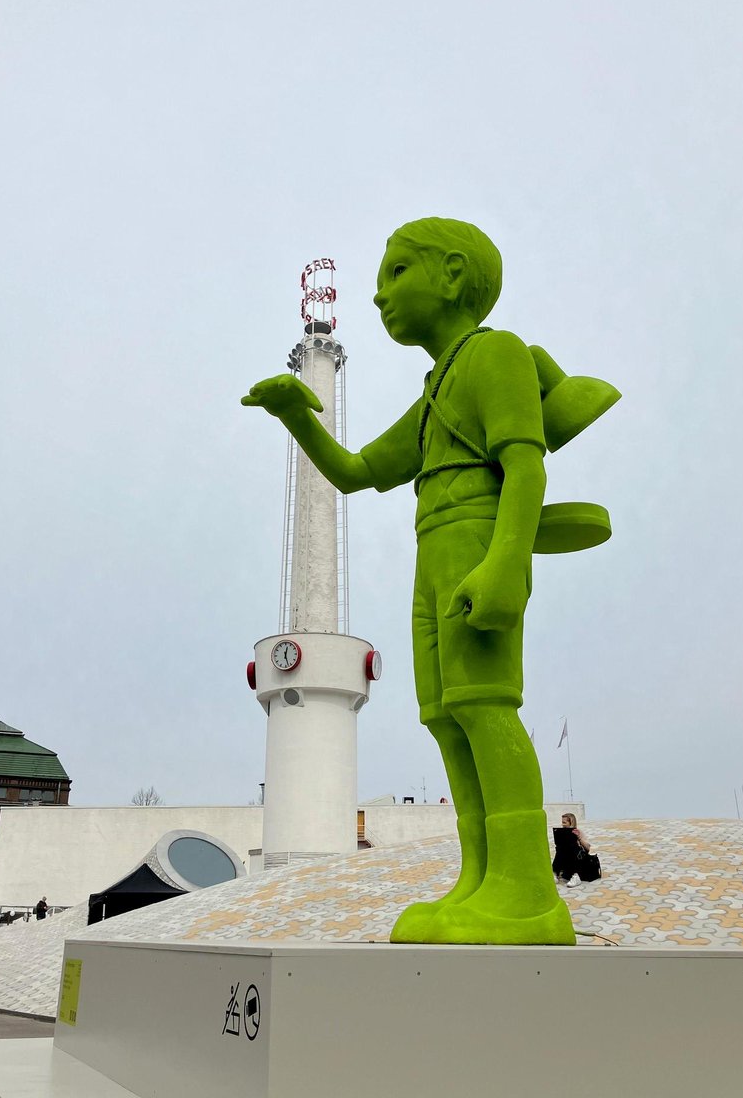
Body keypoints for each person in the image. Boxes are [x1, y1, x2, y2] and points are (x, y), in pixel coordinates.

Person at [243, 218, 617, 945]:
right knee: (446, 717)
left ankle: (527, 891)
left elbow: (526, 466)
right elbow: (358, 473)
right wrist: (296, 415)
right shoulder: (436, 386)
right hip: (433, 549)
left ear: (450, 275)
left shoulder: (496, 354)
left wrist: (506, 565)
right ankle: (480, 879)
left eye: (394, 274)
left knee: (485, 708)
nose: (380, 295)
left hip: (479, 540)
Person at [552, 812, 598, 887]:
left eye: (564, 822)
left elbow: (587, 848)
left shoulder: (578, 831)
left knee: (572, 846)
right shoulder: (562, 832)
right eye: (562, 822)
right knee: (560, 848)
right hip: (567, 857)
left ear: (571, 822)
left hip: (579, 857)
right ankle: (554, 873)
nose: (562, 824)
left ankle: (576, 876)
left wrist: (578, 837)